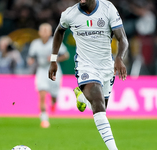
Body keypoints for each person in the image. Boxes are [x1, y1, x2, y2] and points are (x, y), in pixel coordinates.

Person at [49, 0, 128, 149]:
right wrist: (53, 59)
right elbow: (59, 31)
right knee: (98, 103)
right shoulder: (70, 14)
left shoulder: (108, 8)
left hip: (106, 67)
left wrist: (119, 58)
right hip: (85, 66)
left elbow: (122, 38)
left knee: (102, 108)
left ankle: (82, 97)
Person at [27, 23, 69, 128]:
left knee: (54, 95)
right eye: (43, 30)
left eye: (47, 30)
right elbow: (31, 56)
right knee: (42, 94)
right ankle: (44, 119)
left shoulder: (55, 41)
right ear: (39, 32)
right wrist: (30, 60)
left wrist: (55, 59)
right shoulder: (35, 43)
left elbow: (66, 55)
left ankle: (53, 102)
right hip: (41, 70)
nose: (45, 32)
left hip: (54, 70)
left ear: (51, 32)